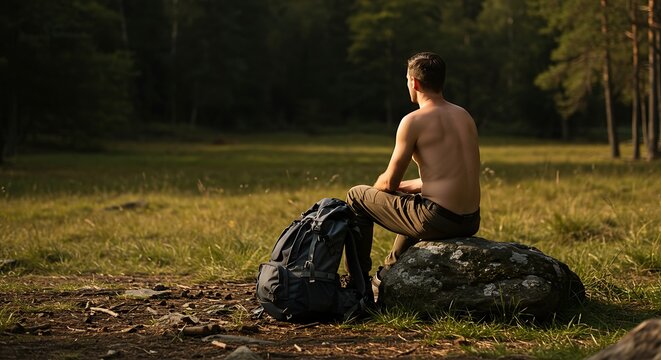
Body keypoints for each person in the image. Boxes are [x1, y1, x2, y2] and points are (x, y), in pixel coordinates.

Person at [346, 52, 481, 297]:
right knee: (408, 203)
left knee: (356, 196)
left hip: (437, 220)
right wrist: (403, 191)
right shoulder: (464, 116)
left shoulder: (414, 121)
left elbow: (389, 182)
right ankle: (387, 273)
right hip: (470, 220)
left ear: (414, 83)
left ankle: (358, 284)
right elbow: (449, 176)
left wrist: (376, 193)